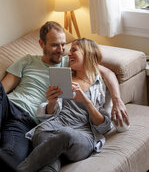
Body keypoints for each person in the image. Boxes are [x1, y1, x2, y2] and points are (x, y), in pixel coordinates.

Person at [0, 21, 129, 166]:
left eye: (63, 44)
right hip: (8, 105)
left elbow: (107, 72)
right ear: (41, 44)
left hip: (25, 120)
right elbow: (3, 89)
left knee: (11, 157)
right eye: (55, 45)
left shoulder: (70, 62)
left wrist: (117, 100)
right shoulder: (27, 60)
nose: (61, 50)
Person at [17, 38, 116, 172]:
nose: (69, 54)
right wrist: (51, 102)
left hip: (82, 136)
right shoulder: (64, 78)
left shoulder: (100, 84)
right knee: (51, 164)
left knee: (66, 134)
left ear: (88, 53)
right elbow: (44, 115)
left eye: (74, 50)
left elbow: (104, 126)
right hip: (49, 129)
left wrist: (86, 102)